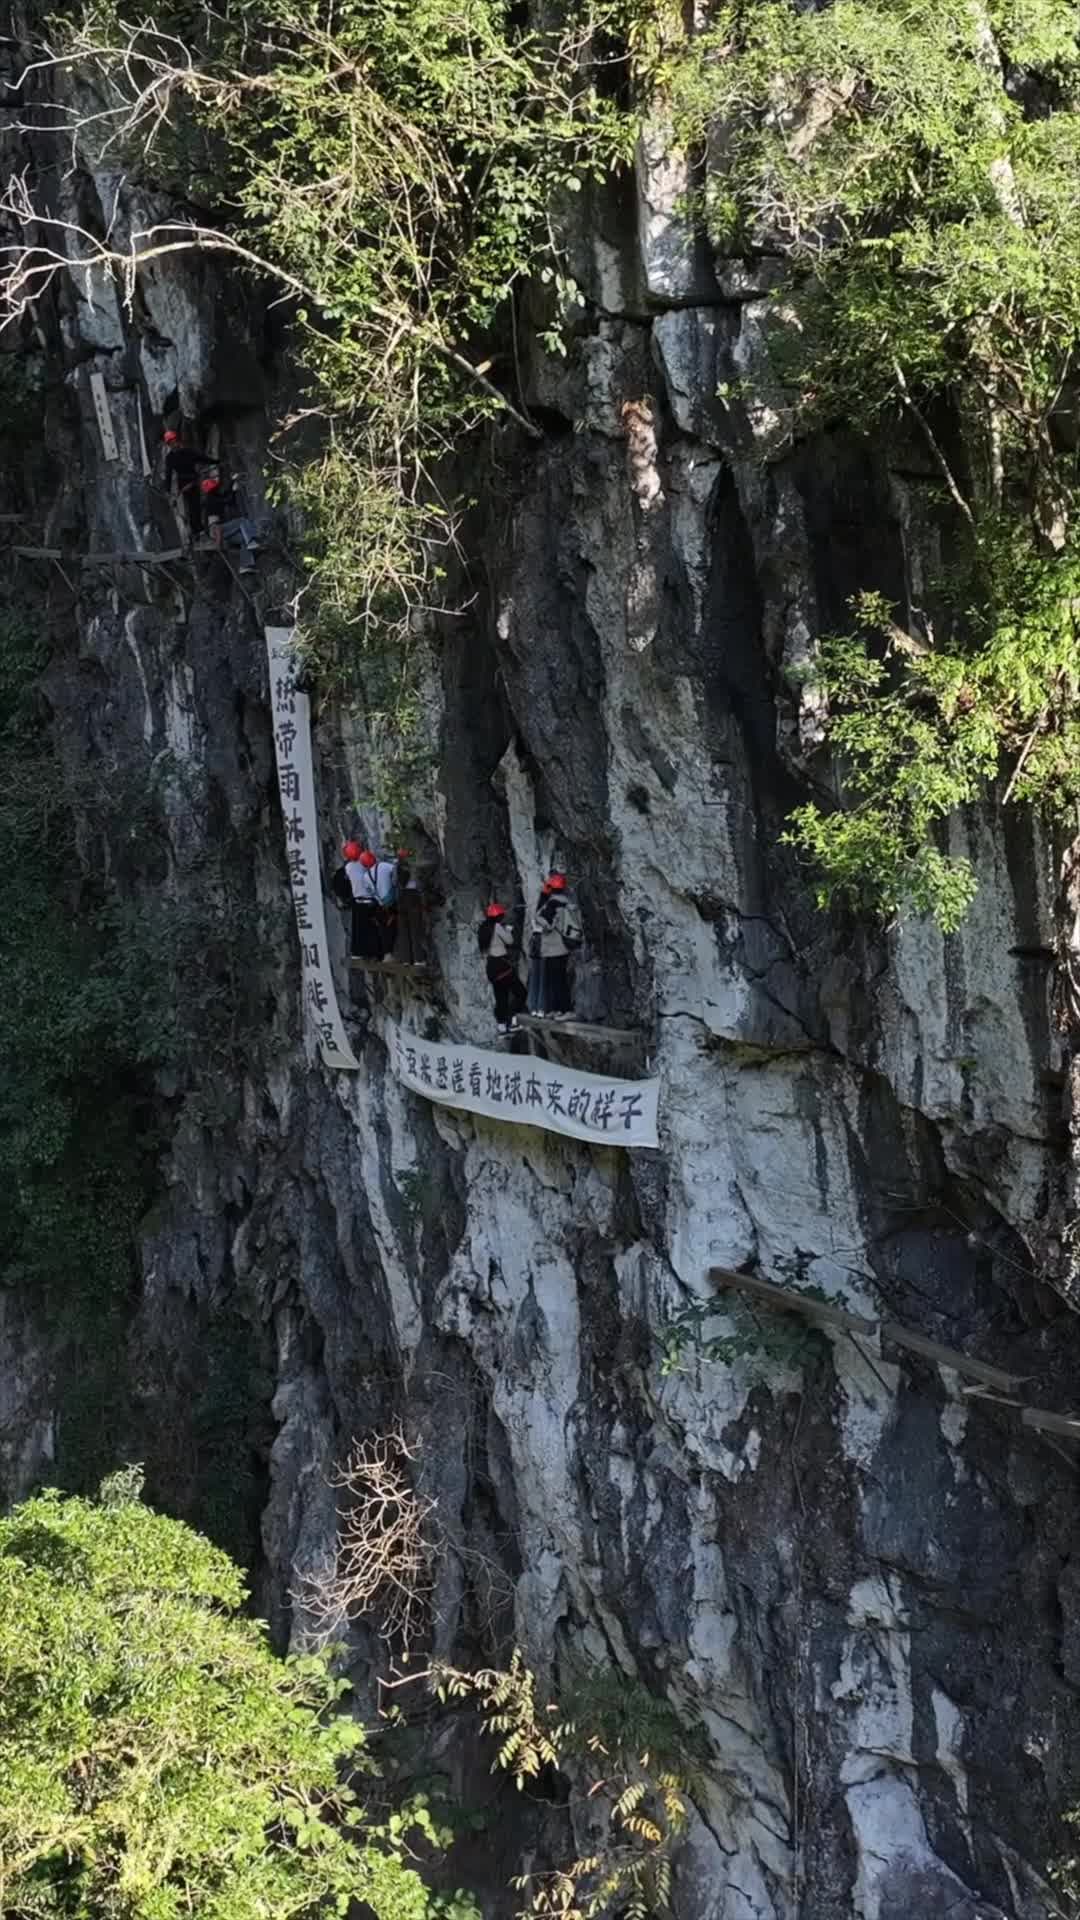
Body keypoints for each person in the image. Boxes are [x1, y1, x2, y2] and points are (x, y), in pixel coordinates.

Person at [529, 871, 581, 1019]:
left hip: (553, 948)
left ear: (551, 887)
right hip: (564, 947)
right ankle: (559, 1010)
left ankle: (566, 1011)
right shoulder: (567, 902)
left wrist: (544, 895)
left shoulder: (552, 903)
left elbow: (541, 919)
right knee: (559, 979)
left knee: (556, 981)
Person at [478, 903, 525, 1033]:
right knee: (521, 993)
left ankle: (502, 1027)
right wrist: (508, 930)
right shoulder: (497, 926)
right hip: (502, 966)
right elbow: (509, 941)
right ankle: (514, 1021)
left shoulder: (483, 928)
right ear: (499, 916)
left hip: (491, 968)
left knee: (501, 999)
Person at [163, 429, 215, 541]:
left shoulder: (188, 452)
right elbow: (168, 474)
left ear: (177, 440)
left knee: (196, 506)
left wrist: (215, 462)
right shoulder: (170, 458)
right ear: (168, 444)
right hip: (184, 485)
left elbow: (202, 458)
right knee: (191, 509)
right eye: (170, 442)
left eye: (173, 441)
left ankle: (199, 531)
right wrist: (167, 491)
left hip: (193, 481)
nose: (173, 444)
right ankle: (197, 532)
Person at [200, 474, 260, 572]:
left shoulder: (214, 496)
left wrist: (232, 482)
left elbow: (226, 497)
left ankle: (245, 565)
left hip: (220, 530)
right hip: (216, 529)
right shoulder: (211, 499)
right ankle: (251, 541)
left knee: (242, 539)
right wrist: (233, 488)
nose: (218, 488)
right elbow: (227, 500)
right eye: (216, 487)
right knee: (242, 521)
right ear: (213, 489)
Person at [393, 851, 428, 966]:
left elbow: (395, 882)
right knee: (415, 928)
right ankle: (418, 959)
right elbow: (419, 882)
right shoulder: (411, 868)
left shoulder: (395, 868)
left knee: (403, 930)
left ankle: (406, 959)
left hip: (401, 898)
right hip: (412, 897)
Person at [347, 847, 383, 959]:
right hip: (371, 900)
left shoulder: (348, 867)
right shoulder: (364, 863)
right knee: (373, 927)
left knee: (358, 928)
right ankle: (376, 952)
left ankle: (358, 953)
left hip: (358, 901)